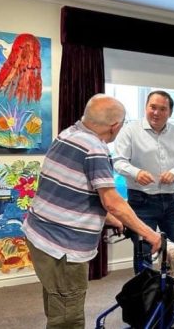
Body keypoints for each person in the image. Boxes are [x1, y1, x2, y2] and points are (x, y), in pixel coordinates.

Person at [22, 94, 162, 329]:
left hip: (39, 236)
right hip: (62, 248)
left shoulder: (68, 134)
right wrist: (150, 234)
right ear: (115, 126)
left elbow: (75, 192)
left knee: (57, 298)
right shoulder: (95, 148)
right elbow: (112, 201)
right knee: (69, 317)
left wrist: (111, 219)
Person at [113, 90, 174, 273]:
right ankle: (146, 299)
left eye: (162, 109)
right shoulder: (130, 131)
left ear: (170, 112)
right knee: (144, 254)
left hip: (171, 201)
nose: (156, 113)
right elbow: (118, 161)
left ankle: (172, 296)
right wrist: (136, 172)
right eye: (153, 107)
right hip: (141, 202)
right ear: (146, 107)